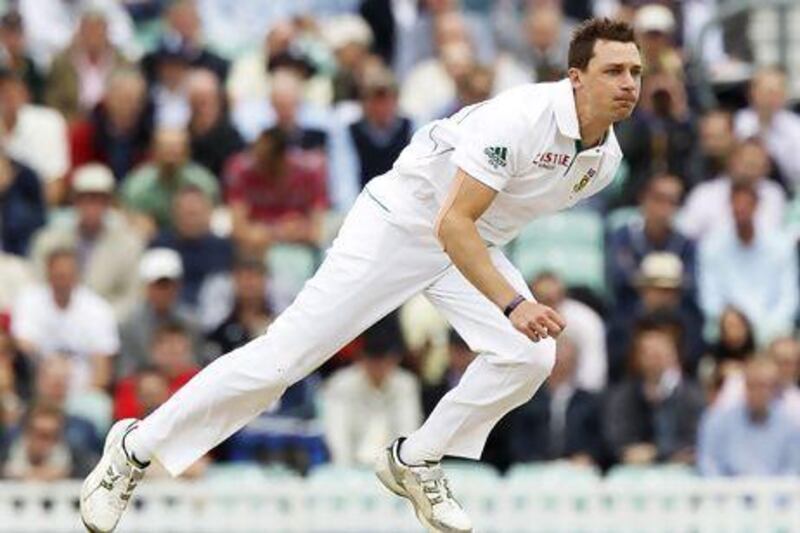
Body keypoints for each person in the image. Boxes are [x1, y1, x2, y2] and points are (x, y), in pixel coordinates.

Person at [80, 18, 641, 533]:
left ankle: (415, 459)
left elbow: (478, 230)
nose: (629, 83)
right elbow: (453, 222)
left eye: (636, 71)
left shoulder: (604, 162)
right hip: (400, 225)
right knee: (283, 361)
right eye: (613, 70)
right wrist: (514, 304)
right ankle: (134, 447)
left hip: (466, 245)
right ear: (574, 78)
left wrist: (504, 302)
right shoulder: (518, 118)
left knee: (530, 355)